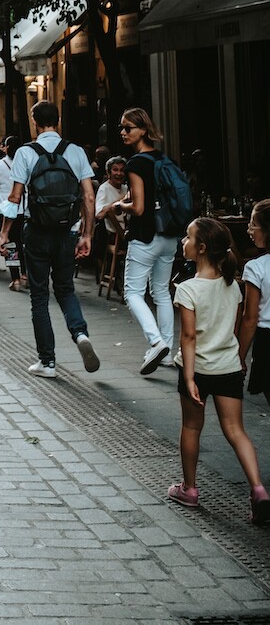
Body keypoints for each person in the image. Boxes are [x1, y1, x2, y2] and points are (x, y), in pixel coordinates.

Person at [169, 217, 270, 523]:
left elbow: (188, 337)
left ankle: (189, 488)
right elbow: (239, 325)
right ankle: (259, 489)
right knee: (236, 431)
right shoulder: (234, 287)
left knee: (191, 427)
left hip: (197, 368)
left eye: (187, 238)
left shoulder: (187, 290)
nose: (182, 243)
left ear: (200, 248)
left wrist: (188, 377)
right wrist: (239, 358)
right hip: (228, 367)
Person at [0, 100, 100, 379]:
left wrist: (5, 232)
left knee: (39, 297)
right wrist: (87, 234)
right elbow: (89, 196)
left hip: (37, 232)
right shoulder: (76, 151)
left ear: (35, 122)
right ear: (58, 120)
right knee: (66, 289)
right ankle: (80, 333)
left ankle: (48, 362)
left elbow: (15, 198)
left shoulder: (25, 153)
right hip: (68, 232)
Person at [118, 109, 178, 375]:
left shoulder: (136, 164)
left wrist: (121, 205)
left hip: (145, 237)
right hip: (169, 235)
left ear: (143, 130)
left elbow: (139, 207)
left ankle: (155, 342)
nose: (123, 132)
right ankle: (166, 350)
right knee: (162, 292)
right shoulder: (165, 159)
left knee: (132, 292)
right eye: (122, 127)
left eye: (128, 127)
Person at [239, 198, 270, 406]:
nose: (250, 230)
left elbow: (250, 318)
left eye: (254, 224)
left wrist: (239, 357)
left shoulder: (256, 267)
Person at [0, 137, 25, 290]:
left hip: (2, 206)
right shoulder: (24, 164)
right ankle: (25, 274)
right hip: (21, 206)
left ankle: (15, 278)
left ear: (7, 148)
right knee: (19, 241)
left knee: (8, 243)